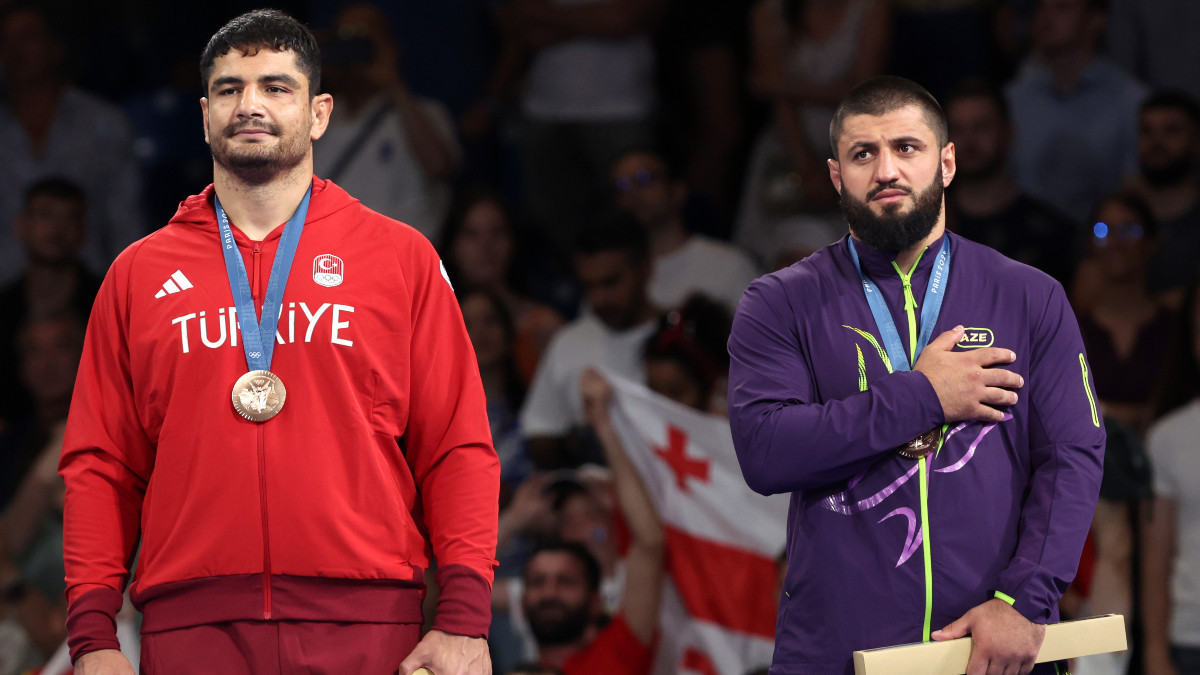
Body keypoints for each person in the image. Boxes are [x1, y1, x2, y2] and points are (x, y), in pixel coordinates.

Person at [58, 10, 498, 675]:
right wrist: (92, 637)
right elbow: (101, 465)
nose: (250, 105)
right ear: (205, 115)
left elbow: (456, 445)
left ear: (319, 112)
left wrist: (464, 619)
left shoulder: (399, 258)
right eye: (230, 89)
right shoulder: (137, 274)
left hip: (366, 621)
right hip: (191, 626)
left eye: (276, 86)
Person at [727, 76, 1105, 674]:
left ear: (946, 162)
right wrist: (924, 394)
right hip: (838, 655)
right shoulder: (779, 302)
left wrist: (1021, 604)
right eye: (862, 154)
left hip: (993, 648)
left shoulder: (1031, 296)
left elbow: (1073, 457)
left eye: (906, 147)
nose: (886, 170)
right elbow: (767, 453)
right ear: (835, 176)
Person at [0, 2, 145, 285]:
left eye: (28, 36)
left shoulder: (103, 123)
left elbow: (124, 222)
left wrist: (128, 298)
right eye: (4, 40)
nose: (14, 50)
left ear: (56, 46)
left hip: (89, 293)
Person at [520, 212, 661, 469]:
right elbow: (539, 432)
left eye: (611, 282)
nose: (599, 299)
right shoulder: (568, 343)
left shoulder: (680, 338)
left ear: (646, 270)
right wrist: (576, 447)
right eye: (589, 286)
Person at [314, 3, 460, 241]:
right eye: (344, 38)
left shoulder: (423, 113)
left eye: (363, 38)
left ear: (389, 44)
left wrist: (392, 81)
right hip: (335, 263)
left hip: (402, 265)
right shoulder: (317, 116)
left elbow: (439, 166)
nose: (354, 49)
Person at [1005, 0, 1146, 222]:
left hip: (1105, 243)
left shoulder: (1131, 101)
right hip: (1022, 242)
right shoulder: (1013, 100)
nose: (1045, 17)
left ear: (1097, 19)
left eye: (1062, 7)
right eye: (1041, 7)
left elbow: (1137, 192)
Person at [943, 80, 1077, 287]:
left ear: (1008, 132)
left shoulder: (1051, 232)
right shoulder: (925, 227)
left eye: (981, 127)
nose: (968, 140)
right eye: (957, 129)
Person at [611, 149, 759, 315]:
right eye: (621, 186)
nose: (632, 193)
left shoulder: (729, 265)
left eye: (644, 179)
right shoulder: (611, 275)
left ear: (677, 190)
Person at [1125, 90, 1200, 299]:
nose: (1157, 142)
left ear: (1196, 141)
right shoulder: (1112, 217)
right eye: (1147, 131)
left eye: (1172, 130)